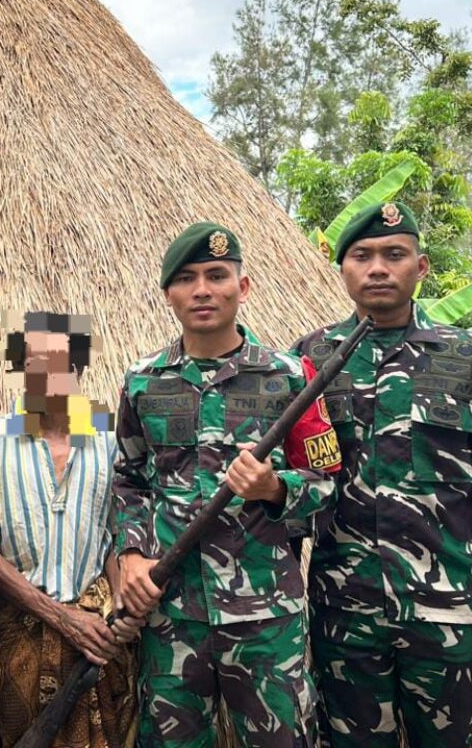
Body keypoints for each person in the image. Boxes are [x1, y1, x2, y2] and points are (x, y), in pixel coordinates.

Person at [293, 202, 472, 747]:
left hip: (450, 609)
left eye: (394, 254)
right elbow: (290, 492)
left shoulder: (469, 357)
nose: (378, 267)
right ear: (343, 269)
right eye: (362, 256)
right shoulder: (308, 360)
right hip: (345, 612)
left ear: (422, 267)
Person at [113, 222, 336, 747]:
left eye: (217, 275)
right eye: (187, 279)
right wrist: (132, 554)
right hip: (173, 615)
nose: (203, 290)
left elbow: (326, 482)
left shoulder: (292, 377)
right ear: (169, 293)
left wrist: (274, 488)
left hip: (266, 618)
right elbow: (129, 480)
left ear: (245, 285)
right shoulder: (144, 381)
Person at [0, 310, 139, 748]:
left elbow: (116, 534)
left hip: (100, 638)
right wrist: (63, 618)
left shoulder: (107, 438)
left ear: (80, 370)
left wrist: (120, 601)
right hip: (21, 636)